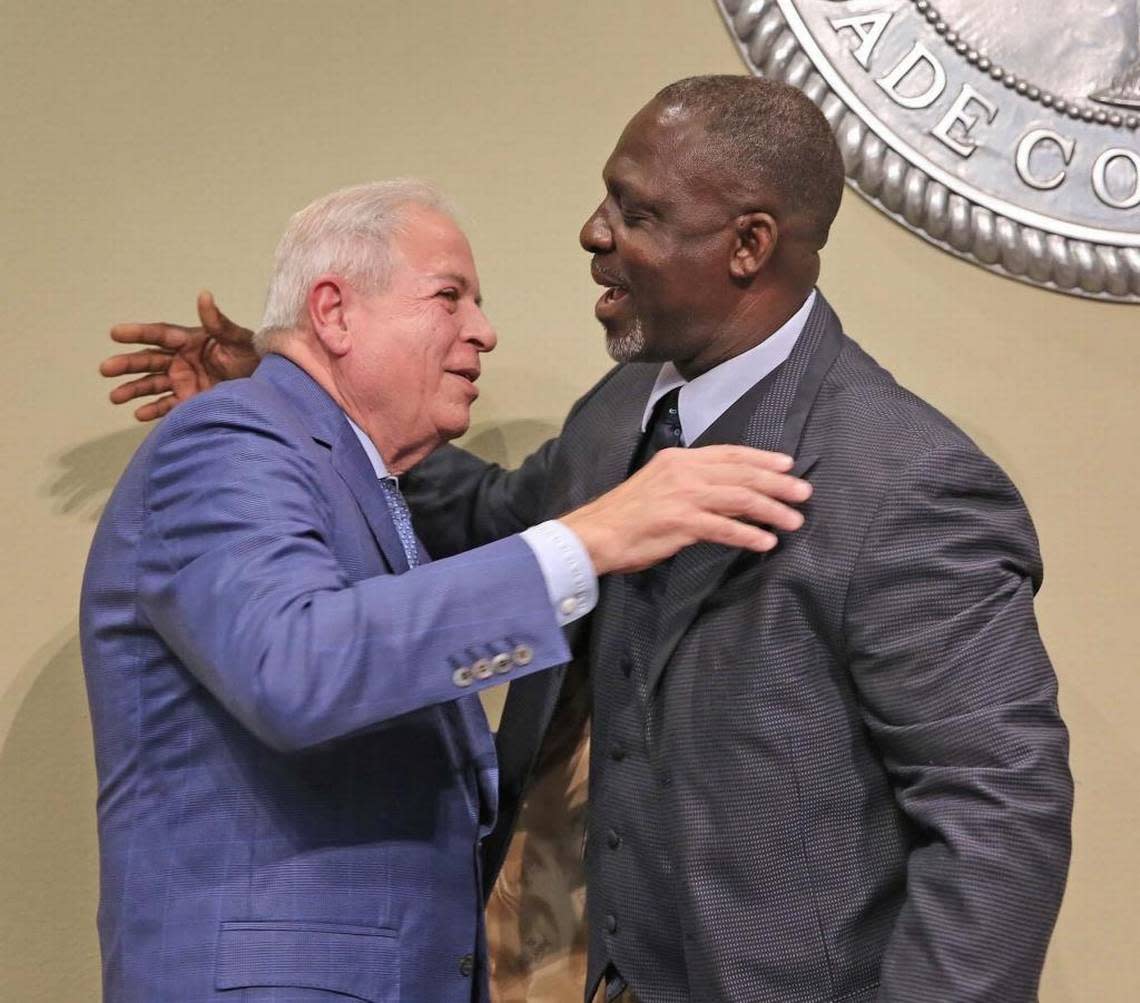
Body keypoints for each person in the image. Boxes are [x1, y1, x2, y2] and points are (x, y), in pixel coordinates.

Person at [102, 76, 1073, 1003]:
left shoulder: (904, 477)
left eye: (635, 212)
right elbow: (497, 523)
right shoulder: (618, 417)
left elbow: (1001, 810)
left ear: (747, 245)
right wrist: (314, 385)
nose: (591, 233)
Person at [81, 177, 812, 1003]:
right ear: (333, 311)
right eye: (449, 297)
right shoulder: (224, 439)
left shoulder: (359, 478)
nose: (484, 331)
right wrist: (591, 538)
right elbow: (295, 665)